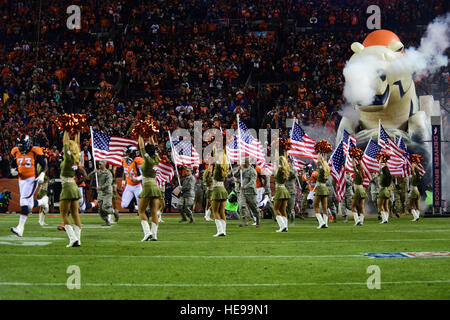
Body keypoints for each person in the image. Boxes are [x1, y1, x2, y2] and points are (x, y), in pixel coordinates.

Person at [10, 134, 48, 237]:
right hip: (21, 180)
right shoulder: (15, 151)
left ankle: (20, 228)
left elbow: (45, 164)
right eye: (20, 146)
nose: (22, 148)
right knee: (29, 205)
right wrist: (13, 169)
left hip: (31, 179)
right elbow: (14, 163)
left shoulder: (35, 151)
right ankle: (43, 201)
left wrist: (42, 174)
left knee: (23, 200)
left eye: (23, 146)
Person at [59, 130, 83, 247]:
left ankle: (73, 238)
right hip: (74, 186)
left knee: (64, 215)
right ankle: (78, 239)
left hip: (67, 187)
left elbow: (65, 142)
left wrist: (66, 130)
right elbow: (77, 145)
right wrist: (77, 133)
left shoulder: (68, 159)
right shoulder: (76, 158)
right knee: (75, 214)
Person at [137, 134, 161, 241]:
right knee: (154, 212)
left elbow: (141, 146)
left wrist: (139, 134)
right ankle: (154, 235)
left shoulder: (146, 160)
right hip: (155, 186)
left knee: (141, 211)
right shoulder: (156, 158)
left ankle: (147, 233)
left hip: (147, 186)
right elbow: (153, 145)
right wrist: (150, 134)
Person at [90, 160, 119, 226]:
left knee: (105, 207)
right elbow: (89, 177)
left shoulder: (108, 173)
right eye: (99, 164)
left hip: (107, 192)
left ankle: (114, 212)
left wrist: (101, 187)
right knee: (100, 209)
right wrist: (93, 173)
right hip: (100, 192)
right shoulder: (97, 172)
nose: (99, 165)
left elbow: (109, 183)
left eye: (101, 164)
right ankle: (106, 221)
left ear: (104, 165)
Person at [234, 157, 260, 227]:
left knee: (253, 207)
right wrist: (238, 170)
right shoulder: (241, 169)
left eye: (244, 162)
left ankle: (257, 221)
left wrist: (244, 186)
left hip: (250, 192)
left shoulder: (252, 171)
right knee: (241, 206)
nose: (243, 163)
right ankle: (244, 221)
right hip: (242, 192)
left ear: (248, 163)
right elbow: (235, 175)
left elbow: (252, 182)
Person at [211, 151, 229, 237]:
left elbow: (215, 162)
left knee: (214, 211)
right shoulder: (225, 167)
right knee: (222, 212)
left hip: (217, 190)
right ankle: (223, 231)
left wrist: (215, 154)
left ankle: (220, 231)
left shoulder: (218, 166)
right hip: (223, 189)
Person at [120, 145, 144, 212]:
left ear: (131, 153)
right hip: (129, 186)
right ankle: (136, 207)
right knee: (123, 205)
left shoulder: (138, 161)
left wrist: (137, 179)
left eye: (127, 153)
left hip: (137, 186)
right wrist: (123, 183)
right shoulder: (123, 160)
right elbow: (124, 172)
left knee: (141, 206)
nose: (125, 154)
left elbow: (144, 175)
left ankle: (142, 209)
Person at [273, 155, 291, 232]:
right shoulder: (285, 169)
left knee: (276, 209)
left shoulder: (280, 170)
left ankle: (282, 226)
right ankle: (285, 227)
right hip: (284, 190)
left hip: (280, 190)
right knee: (283, 210)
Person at [313, 153, 330, 229]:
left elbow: (319, 160)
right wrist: (325, 153)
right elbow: (324, 161)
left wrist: (319, 152)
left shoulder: (321, 169)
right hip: (325, 189)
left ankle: (321, 222)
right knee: (324, 207)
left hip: (320, 189)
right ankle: (325, 223)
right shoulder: (326, 169)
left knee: (315, 206)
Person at [351, 158, 367, 226]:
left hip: (357, 190)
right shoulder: (362, 173)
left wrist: (352, 158)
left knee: (353, 206)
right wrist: (360, 161)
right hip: (362, 190)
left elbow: (353, 166)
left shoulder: (357, 173)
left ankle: (357, 221)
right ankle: (361, 221)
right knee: (362, 207)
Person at [378, 158, 392, 224]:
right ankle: (386, 219)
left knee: (380, 206)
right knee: (386, 206)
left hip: (382, 191)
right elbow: (387, 169)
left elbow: (380, 168)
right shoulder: (388, 176)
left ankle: (384, 219)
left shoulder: (382, 175)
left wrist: (380, 161)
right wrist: (386, 161)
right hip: (387, 191)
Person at [286, 158, 299, 225]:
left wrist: (288, 170)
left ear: (291, 163)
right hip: (284, 191)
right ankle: (284, 222)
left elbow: (293, 175)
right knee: (285, 208)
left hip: (291, 191)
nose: (287, 164)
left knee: (291, 208)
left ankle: (292, 222)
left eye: (289, 162)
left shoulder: (294, 170)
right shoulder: (283, 170)